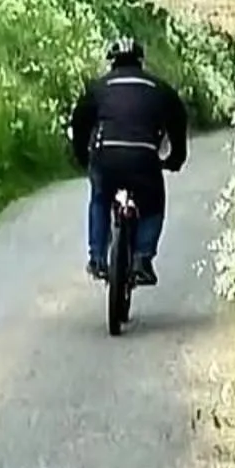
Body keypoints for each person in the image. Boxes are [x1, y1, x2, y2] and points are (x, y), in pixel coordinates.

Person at [67, 37, 188, 288]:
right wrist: (177, 156)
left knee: (101, 197)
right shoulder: (158, 87)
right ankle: (143, 258)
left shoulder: (98, 88)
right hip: (143, 158)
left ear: (112, 63)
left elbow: (80, 122)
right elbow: (178, 119)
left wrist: (81, 156)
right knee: (153, 203)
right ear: (140, 62)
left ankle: (97, 258)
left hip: (105, 156)